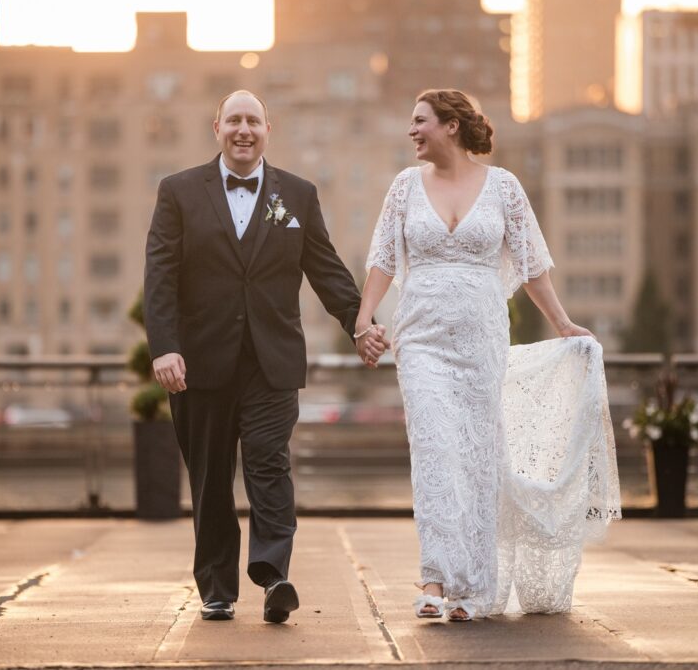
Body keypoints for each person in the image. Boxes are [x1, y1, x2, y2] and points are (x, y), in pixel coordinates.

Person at [355, 89, 621, 622]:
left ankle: (472, 589)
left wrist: (563, 323)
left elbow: (531, 266)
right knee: (434, 452)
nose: (412, 131)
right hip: (422, 340)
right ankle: (434, 576)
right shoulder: (405, 187)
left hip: (481, 342)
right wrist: (365, 319)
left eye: (420, 121)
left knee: (478, 457)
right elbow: (384, 260)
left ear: (451, 126)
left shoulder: (504, 187)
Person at [143, 90, 389, 624]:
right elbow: (159, 276)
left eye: (253, 120)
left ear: (268, 130)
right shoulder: (179, 192)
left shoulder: (296, 196)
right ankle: (216, 588)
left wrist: (359, 325)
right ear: (217, 127)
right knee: (209, 478)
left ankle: (274, 573)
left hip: (272, 362)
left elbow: (324, 268)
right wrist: (164, 347)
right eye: (234, 120)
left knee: (268, 462)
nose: (243, 130)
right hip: (199, 364)